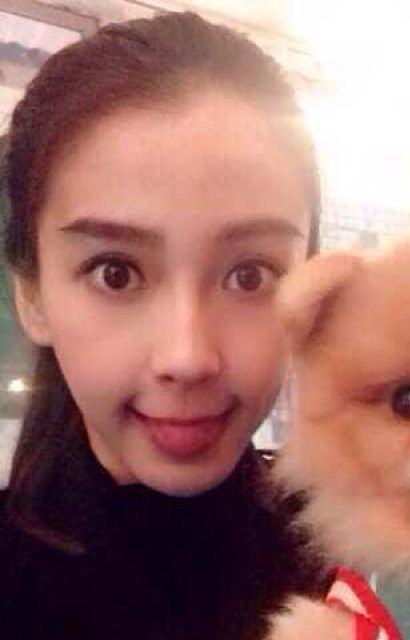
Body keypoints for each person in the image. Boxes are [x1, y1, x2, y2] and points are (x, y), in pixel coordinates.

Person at [0, 11, 323, 640]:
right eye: (116, 273)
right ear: (33, 295)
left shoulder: (385, 571)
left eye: (250, 275)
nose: (188, 356)